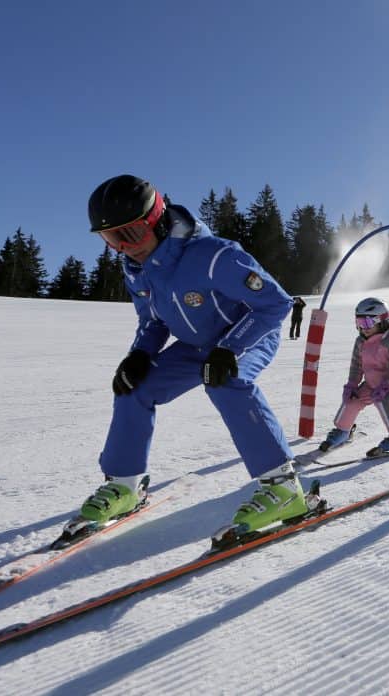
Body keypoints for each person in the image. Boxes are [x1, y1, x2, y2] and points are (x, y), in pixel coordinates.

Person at [75, 174, 321, 545]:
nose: (124, 248)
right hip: (197, 346)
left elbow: (275, 304)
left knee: (225, 381)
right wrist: (139, 354)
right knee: (133, 387)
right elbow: (153, 320)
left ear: (157, 220)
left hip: (249, 333)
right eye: (111, 239)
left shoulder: (213, 255)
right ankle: (126, 484)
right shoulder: (136, 269)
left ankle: (285, 489)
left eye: (131, 235)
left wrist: (230, 347)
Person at [319, 297, 389, 452]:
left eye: (367, 323)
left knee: (386, 399)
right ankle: (343, 431)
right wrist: (352, 385)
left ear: (382, 320)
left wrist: (386, 386)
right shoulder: (361, 341)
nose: (363, 328)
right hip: (372, 381)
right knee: (352, 399)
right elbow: (356, 366)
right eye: (359, 323)